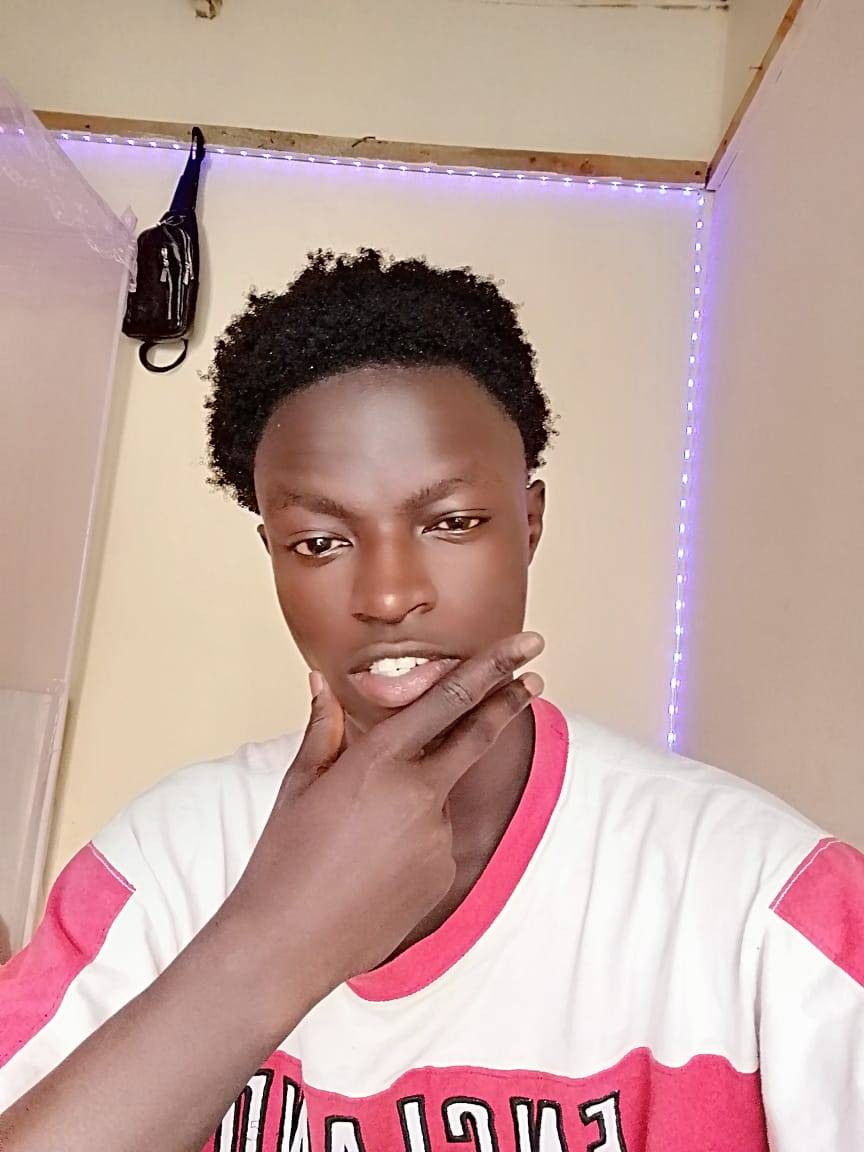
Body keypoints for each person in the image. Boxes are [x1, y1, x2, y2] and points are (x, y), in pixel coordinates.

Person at [0, 249, 861, 1152]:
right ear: (273, 556)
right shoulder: (159, 864)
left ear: (530, 523)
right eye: (319, 542)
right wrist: (273, 945)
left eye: (452, 523)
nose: (387, 595)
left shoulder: (765, 898)